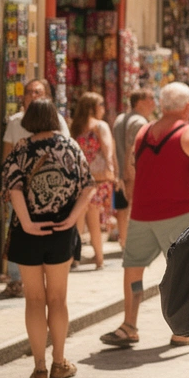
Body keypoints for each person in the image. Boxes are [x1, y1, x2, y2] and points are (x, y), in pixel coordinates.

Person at [100, 82, 189, 348]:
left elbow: (130, 172)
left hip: (142, 214)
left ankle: (129, 325)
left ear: (161, 105)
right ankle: (183, 330)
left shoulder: (143, 132)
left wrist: (135, 203)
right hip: (180, 213)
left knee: (133, 271)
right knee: (183, 272)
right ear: (187, 106)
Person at [3, 99, 97, 378]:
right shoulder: (70, 146)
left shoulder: (21, 148)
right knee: (57, 299)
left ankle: (39, 368)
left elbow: (13, 187)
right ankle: (59, 362)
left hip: (27, 231)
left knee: (34, 299)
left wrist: (28, 222)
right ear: (55, 118)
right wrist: (71, 219)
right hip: (60, 230)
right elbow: (89, 186)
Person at [2, 78, 74, 297]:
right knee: (17, 229)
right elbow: (6, 155)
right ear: (23, 97)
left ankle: (42, 275)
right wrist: (5, 183)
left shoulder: (58, 121)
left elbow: (67, 156)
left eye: (38, 92)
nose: (33, 96)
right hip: (20, 191)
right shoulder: (15, 122)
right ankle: (16, 279)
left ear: (47, 97)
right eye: (29, 92)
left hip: (49, 192)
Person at [70, 92, 115, 271]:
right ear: (92, 107)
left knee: (78, 219)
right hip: (97, 179)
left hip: (79, 178)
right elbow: (107, 151)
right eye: (101, 104)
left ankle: (74, 258)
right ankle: (99, 259)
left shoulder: (75, 127)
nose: (103, 108)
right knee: (94, 221)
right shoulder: (100, 126)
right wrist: (111, 171)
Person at [112, 89, 155, 248]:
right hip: (133, 172)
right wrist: (130, 172)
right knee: (135, 207)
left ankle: (124, 242)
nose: (153, 103)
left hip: (122, 171)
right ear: (139, 102)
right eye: (150, 98)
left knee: (122, 207)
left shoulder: (120, 118)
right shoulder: (139, 122)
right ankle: (133, 244)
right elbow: (132, 149)